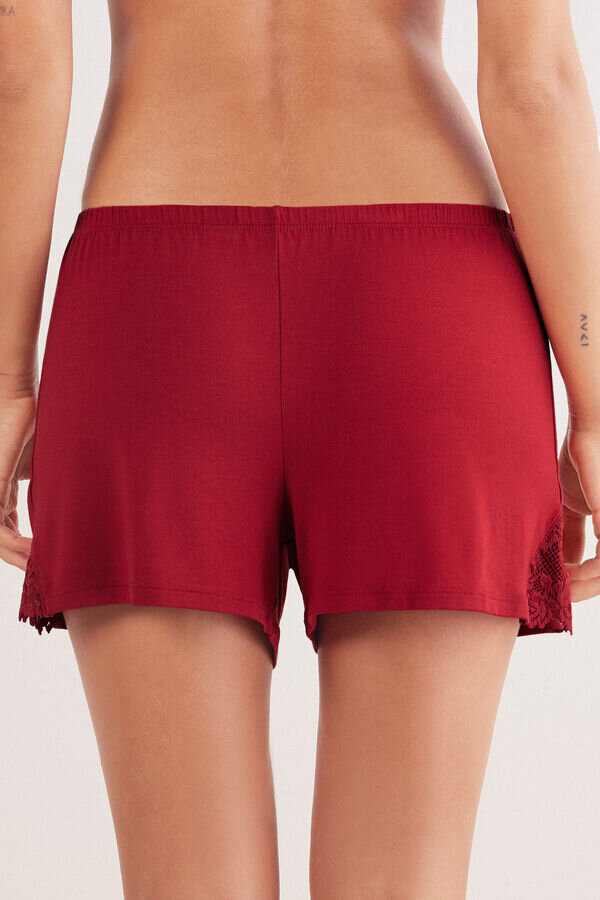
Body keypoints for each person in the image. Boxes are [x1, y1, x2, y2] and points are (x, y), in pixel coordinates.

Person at [2, 1, 599, 897]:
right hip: (426, 310)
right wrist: (596, 403)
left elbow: (19, 74)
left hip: (154, 306)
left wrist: (7, 380)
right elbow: (533, 82)